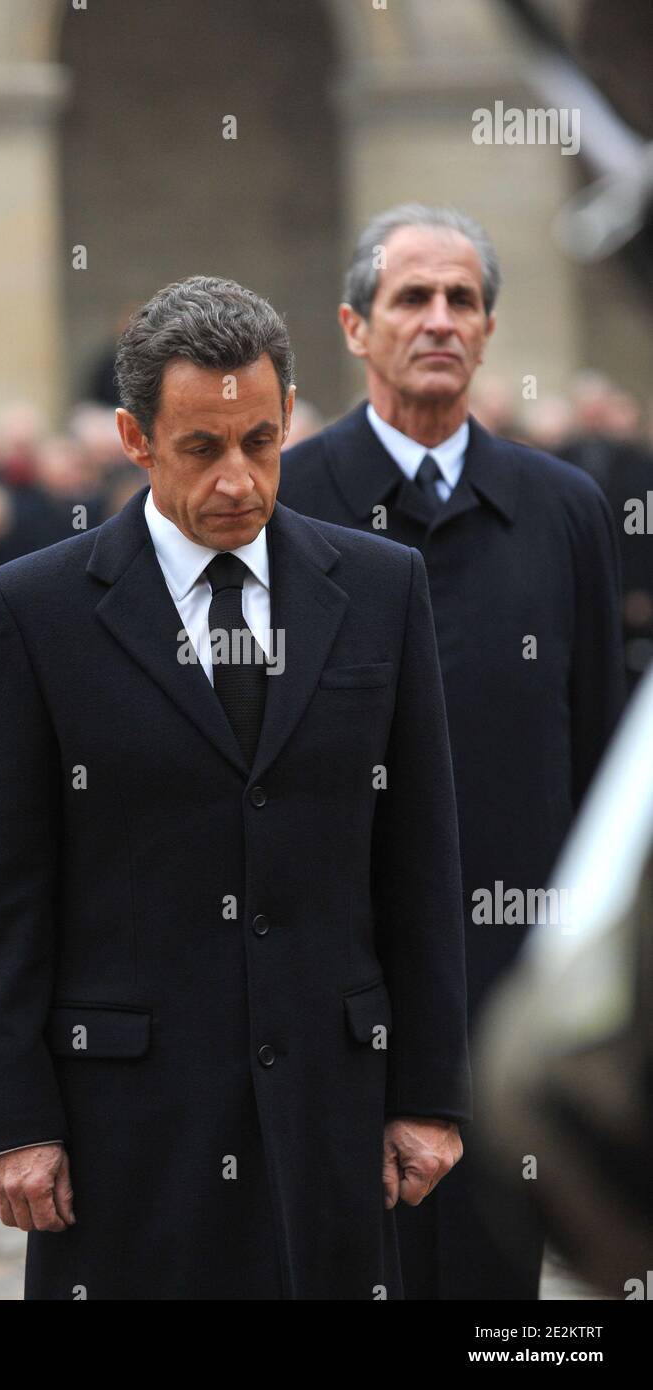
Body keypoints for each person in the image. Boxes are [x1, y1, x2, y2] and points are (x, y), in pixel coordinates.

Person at [0, 275, 470, 1301]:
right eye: (201, 448)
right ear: (135, 441)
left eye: (261, 443)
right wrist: (14, 1119)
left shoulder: (379, 588)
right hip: (125, 1123)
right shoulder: (29, 612)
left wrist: (428, 1094)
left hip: (331, 1103)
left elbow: (420, 856)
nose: (238, 479)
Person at [279, 204, 626, 1300]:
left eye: (462, 300)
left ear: (486, 329)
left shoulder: (562, 508)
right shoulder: (290, 502)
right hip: (332, 976)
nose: (438, 320)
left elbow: (600, 748)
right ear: (353, 325)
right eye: (410, 298)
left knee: (487, 1281)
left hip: (503, 969)